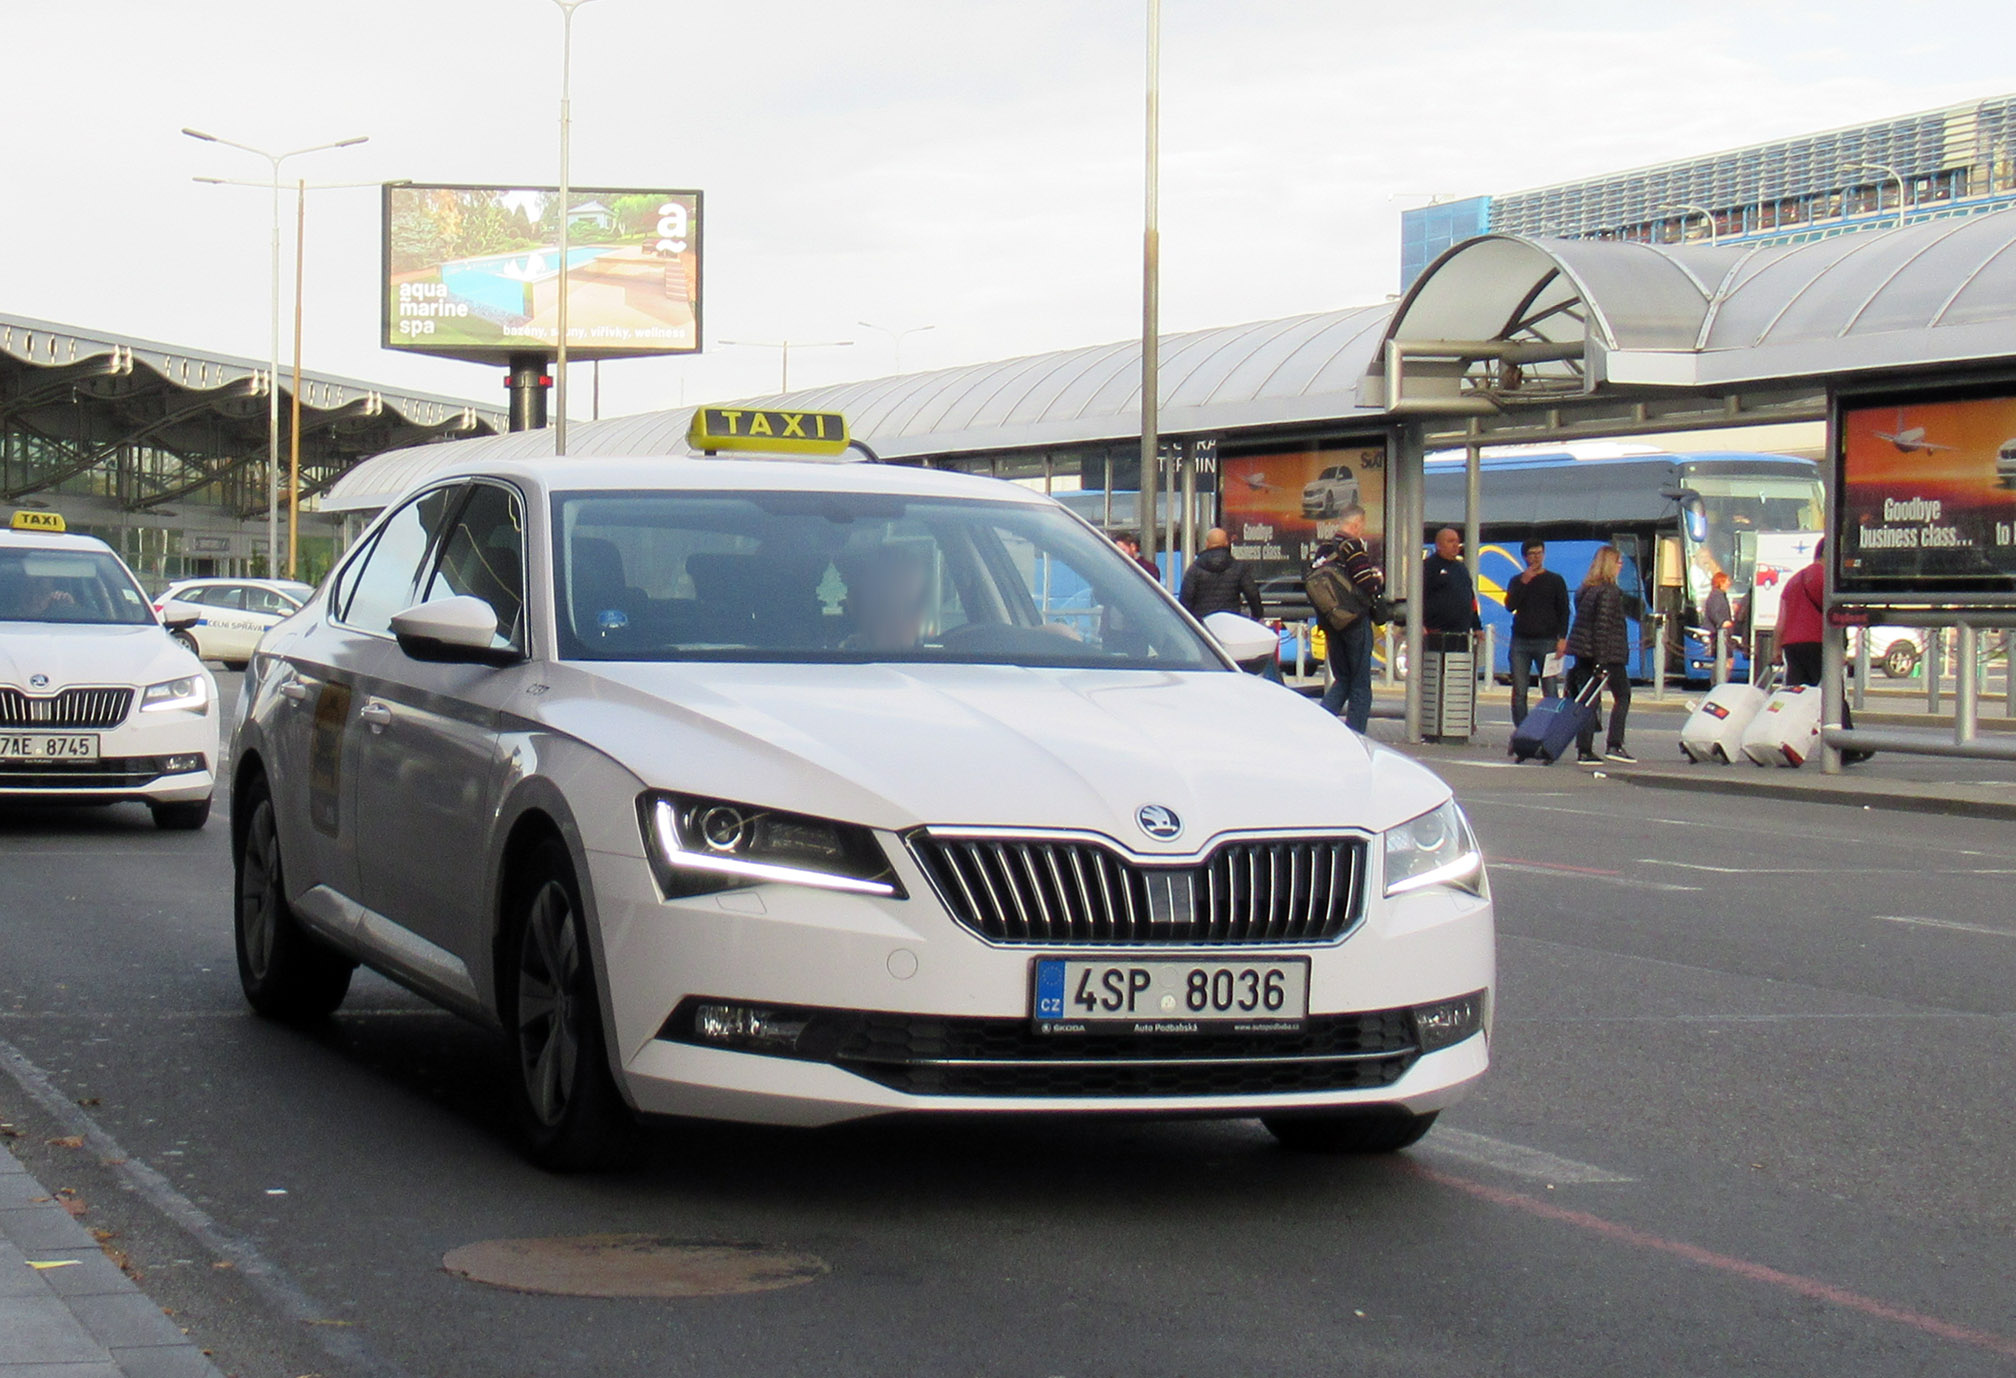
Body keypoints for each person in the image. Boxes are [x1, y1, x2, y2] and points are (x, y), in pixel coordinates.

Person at [1776, 538, 1870, 762]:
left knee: (1795, 697)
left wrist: (1775, 648)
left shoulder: (1794, 580)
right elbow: (1837, 614)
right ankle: (1847, 746)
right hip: (1818, 642)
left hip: (1792, 644)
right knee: (1833, 694)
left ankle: (1779, 741)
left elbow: (1781, 619)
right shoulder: (1826, 578)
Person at [1314, 505, 1384, 733]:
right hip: (1354, 620)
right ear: (1356, 524)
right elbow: (1365, 581)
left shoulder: (1323, 550)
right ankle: (1356, 734)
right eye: (1362, 525)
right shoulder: (1352, 546)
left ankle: (1318, 728)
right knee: (1361, 683)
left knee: (1343, 678)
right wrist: (1377, 580)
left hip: (1332, 621)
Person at [1565, 545, 1634, 765]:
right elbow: (1602, 627)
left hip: (1584, 652)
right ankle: (1614, 744)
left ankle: (1584, 749)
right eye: (1619, 562)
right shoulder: (1609, 592)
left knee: (1588, 701)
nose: (1621, 566)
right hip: (1607, 654)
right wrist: (1602, 662)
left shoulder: (1586, 590)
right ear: (1609, 565)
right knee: (1622, 696)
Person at [1503, 538, 1569, 726]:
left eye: (1539, 553)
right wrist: (1524, 583)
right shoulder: (1517, 580)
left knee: (1550, 689)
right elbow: (1510, 605)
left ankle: (1549, 730)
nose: (1536, 557)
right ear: (1525, 557)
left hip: (1547, 641)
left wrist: (1562, 638)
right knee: (1520, 691)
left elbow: (1564, 610)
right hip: (1520, 642)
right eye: (1532, 554)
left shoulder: (1555, 580)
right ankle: (1521, 730)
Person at [1178, 528, 1263, 621]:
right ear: (1226, 543)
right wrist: (1256, 616)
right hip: (1230, 622)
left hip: (1203, 624)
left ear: (1207, 543)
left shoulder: (1195, 569)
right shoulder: (1238, 568)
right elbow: (1252, 594)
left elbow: (1185, 600)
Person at [1421, 527, 1481, 649]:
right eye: (1450, 541)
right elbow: (1417, 598)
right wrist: (1420, 625)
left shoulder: (1461, 568)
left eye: (1457, 541)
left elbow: (1470, 599)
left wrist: (1477, 627)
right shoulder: (1428, 567)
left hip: (1461, 633)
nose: (1455, 545)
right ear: (1439, 545)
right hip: (1436, 633)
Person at [1702, 570, 1737, 679]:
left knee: (1725, 659)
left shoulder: (1719, 595)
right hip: (1720, 633)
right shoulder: (1717, 596)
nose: (1729, 583)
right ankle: (1719, 681)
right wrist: (1722, 622)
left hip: (1722, 633)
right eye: (1726, 581)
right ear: (1720, 582)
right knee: (1725, 659)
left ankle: (1719, 681)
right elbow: (1714, 612)